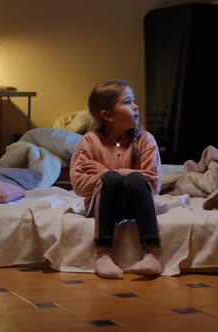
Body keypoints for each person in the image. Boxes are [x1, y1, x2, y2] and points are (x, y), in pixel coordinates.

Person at [70, 79, 163, 279]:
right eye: (128, 102)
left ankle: (153, 255)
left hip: (134, 205)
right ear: (107, 116)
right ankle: (102, 254)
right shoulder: (89, 142)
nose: (136, 106)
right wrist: (114, 175)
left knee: (134, 180)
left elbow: (153, 184)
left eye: (134, 100)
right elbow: (79, 185)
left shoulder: (146, 140)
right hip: (102, 204)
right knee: (112, 179)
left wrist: (105, 171)